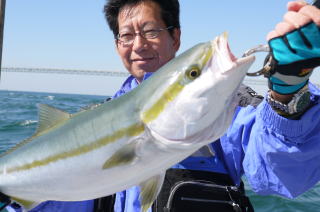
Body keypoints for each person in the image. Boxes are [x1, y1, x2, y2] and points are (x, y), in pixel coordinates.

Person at [2, 0, 320, 211]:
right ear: (117, 47)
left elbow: (286, 178)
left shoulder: (229, 111)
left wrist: (288, 92)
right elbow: (64, 194)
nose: (138, 45)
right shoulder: (97, 117)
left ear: (176, 37)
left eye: (151, 31)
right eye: (126, 36)